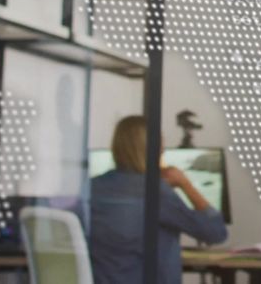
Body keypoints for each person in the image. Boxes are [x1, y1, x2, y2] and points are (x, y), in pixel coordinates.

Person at [88, 116, 228, 284]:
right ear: (153, 150)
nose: (163, 151)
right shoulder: (156, 191)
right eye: (161, 146)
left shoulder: (91, 187)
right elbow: (215, 233)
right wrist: (185, 184)